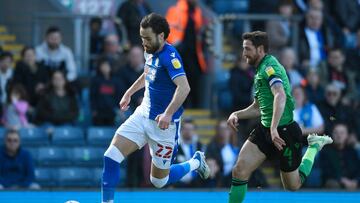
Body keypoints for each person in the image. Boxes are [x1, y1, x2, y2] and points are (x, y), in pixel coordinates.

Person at [101, 13, 210, 203]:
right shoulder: (149, 50)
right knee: (111, 156)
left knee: (159, 181)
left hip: (164, 127)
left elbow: (184, 87)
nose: (144, 42)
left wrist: (168, 113)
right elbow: (147, 73)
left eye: (147, 38)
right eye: (142, 38)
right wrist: (129, 92)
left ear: (161, 36)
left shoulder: (171, 56)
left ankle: (195, 162)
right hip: (142, 115)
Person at [227, 31, 333, 203]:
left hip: (285, 132)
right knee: (239, 170)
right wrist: (237, 114)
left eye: (247, 49)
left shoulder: (270, 68)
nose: (244, 53)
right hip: (265, 129)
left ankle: (314, 146)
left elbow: (280, 95)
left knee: (292, 185)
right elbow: (258, 108)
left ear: (260, 49)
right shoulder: (260, 69)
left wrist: (274, 127)